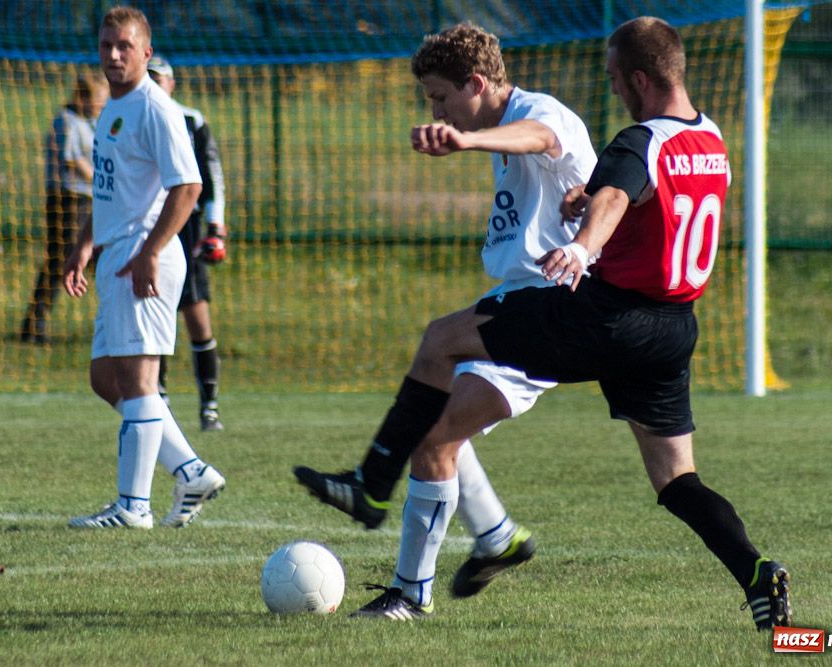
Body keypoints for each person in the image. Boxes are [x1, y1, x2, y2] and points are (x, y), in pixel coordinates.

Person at [295, 16, 792, 631]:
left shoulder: (633, 138)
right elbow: (644, 202)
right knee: (676, 481)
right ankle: (756, 573)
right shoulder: (711, 139)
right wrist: (592, 200)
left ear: (639, 77)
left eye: (614, 79)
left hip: (596, 313)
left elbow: (596, 180)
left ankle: (377, 499)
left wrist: (582, 241)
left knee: (439, 342)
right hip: (671, 330)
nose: (612, 90)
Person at [295, 22, 598, 619]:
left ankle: (406, 580)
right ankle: (496, 538)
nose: (435, 109)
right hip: (524, 296)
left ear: (476, 84)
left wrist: (466, 141)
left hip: (553, 302)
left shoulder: (540, 112)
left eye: (439, 97)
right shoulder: (501, 122)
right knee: (435, 419)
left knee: (431, 405)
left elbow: (540, 137)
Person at [63, 5, 224, 529]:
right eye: (106, 44)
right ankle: (191, 469)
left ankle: (133, 507)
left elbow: (190, 186)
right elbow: (111, 192)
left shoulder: (157, 109)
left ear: (145, 52)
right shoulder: (114, 105)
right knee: (105, 378)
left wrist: (150, 252)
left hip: (143, 258)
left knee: (137, 381)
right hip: (116, 254)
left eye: (124, 46)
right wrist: (84, 245)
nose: (112, 54)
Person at [147, 55, 228, 432]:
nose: (152, 83)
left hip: (186, 226)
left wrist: (216, 226)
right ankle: (157, 401)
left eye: (158, 78)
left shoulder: (191, 121)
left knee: (196, 316)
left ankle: (208, 406)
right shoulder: (134, 118)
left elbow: (210, 178)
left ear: (171, 84)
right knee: (153, 318)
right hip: (146, 226)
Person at [21, 71, 109, 344]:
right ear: (82, 97)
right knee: (61, 259)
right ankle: (34, 324)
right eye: (98, 102)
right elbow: (73, 160)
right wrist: (103, 183)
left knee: (99, 257)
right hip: (67, 200)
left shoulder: (92, 123)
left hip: (90, 201)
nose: (101, 108)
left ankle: (112, 320)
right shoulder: (66, 121)